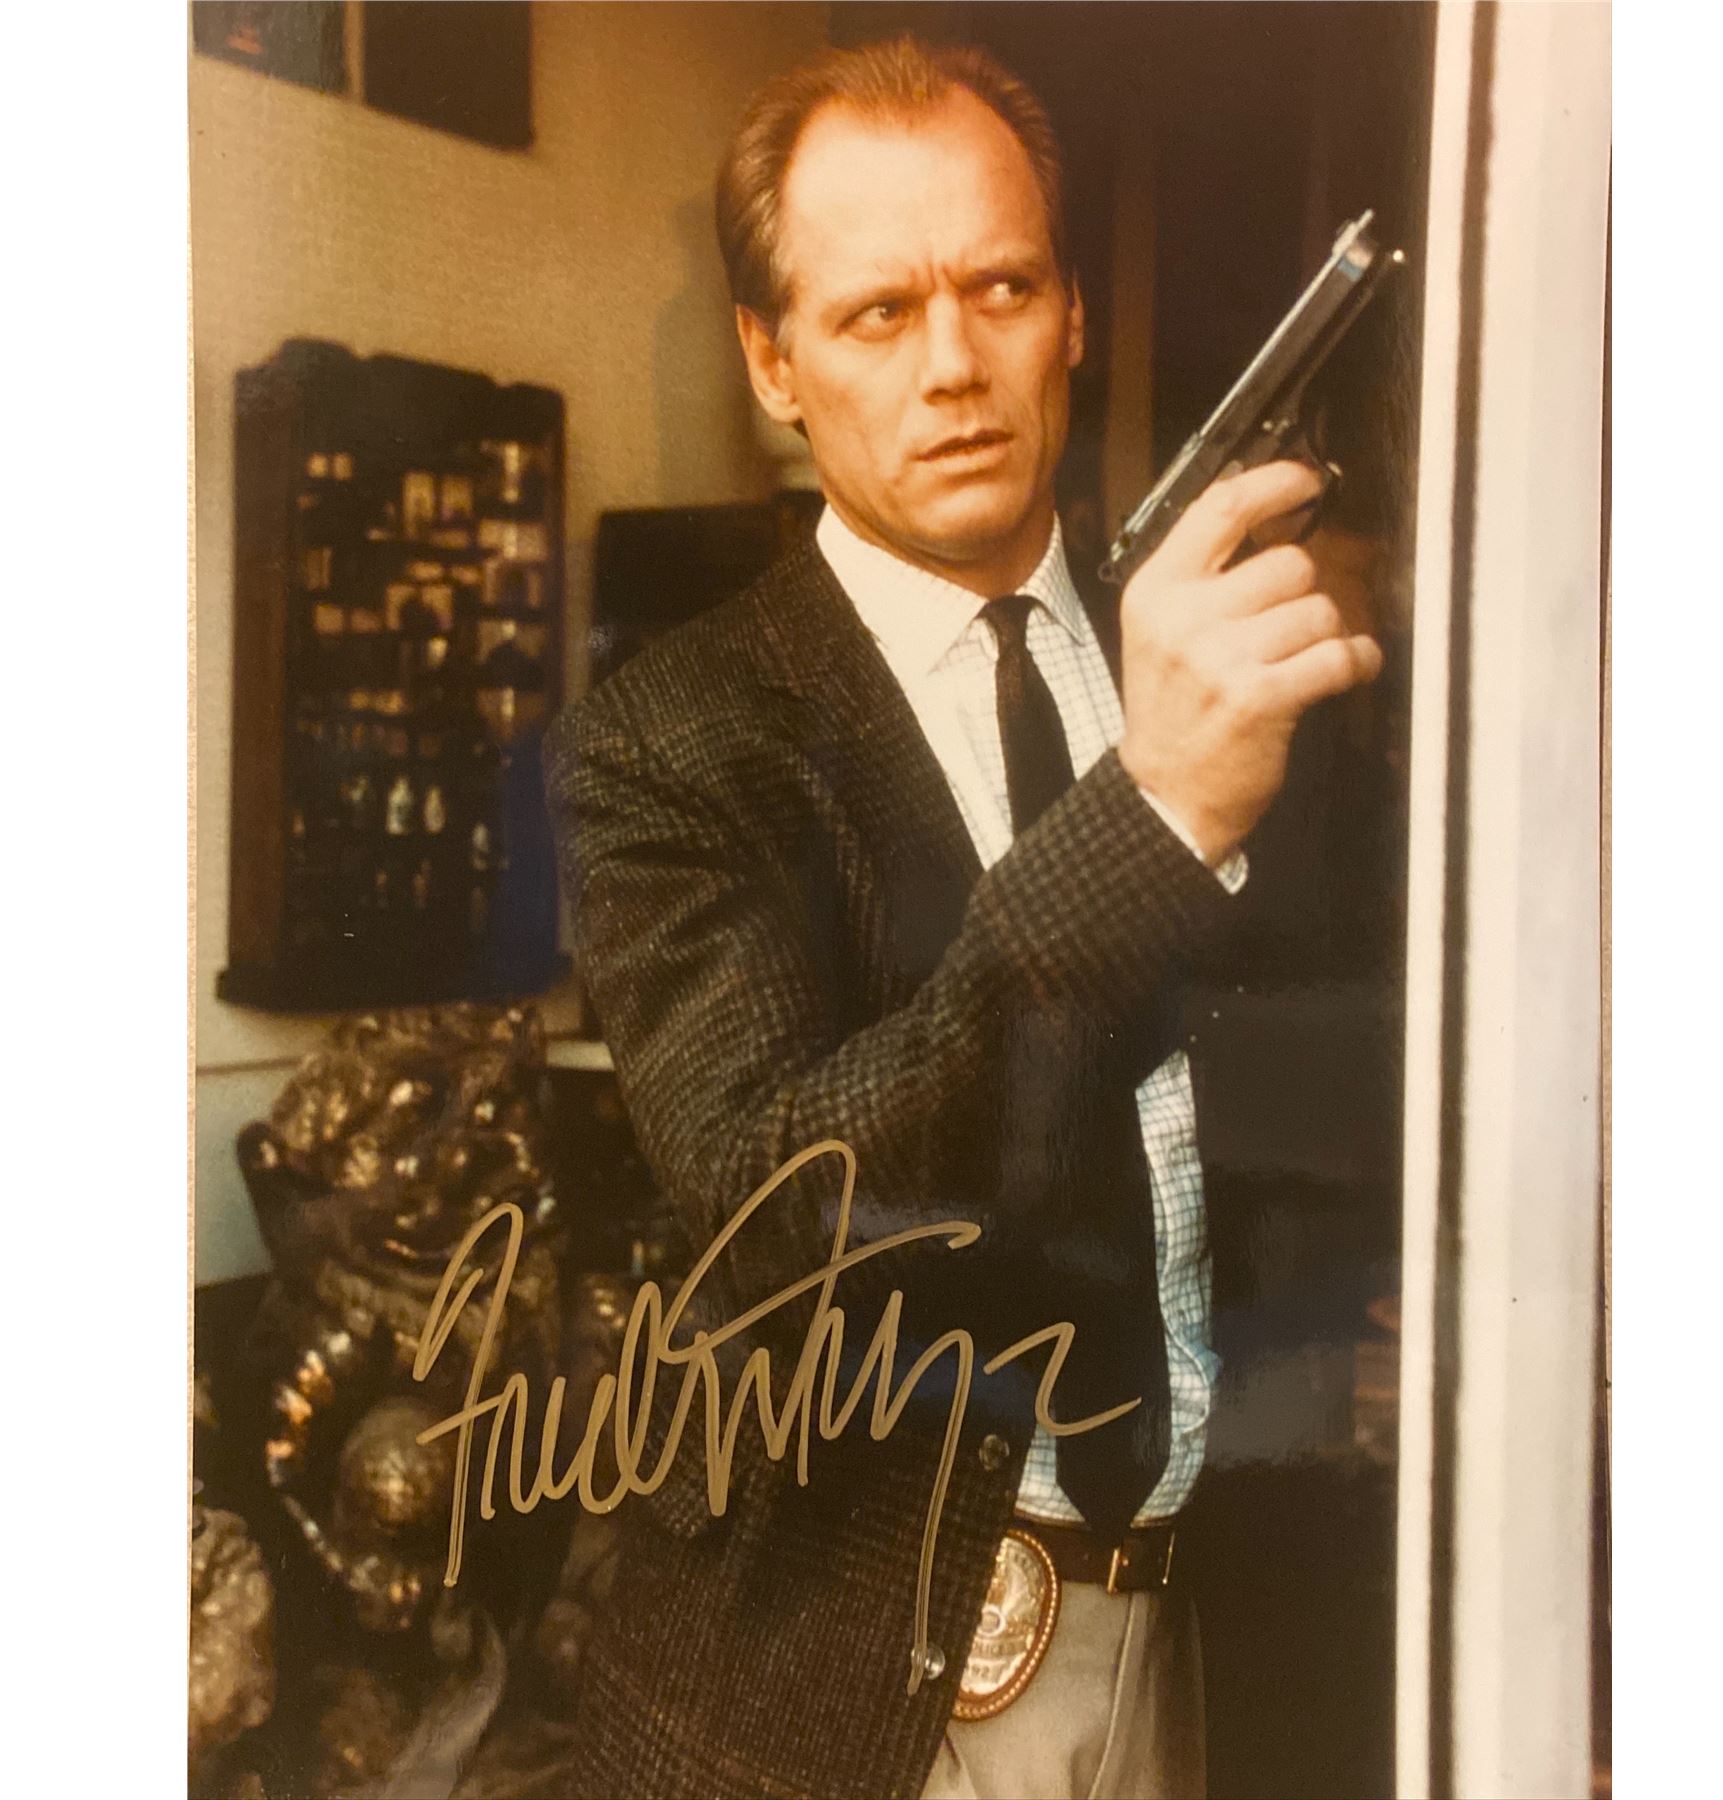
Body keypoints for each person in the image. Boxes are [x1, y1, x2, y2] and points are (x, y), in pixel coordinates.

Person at [544, 34, 1383, 1800]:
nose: (954, 364)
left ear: (1072, 311)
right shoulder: (669, 738)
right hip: (854, 1689)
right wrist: (1151, 825)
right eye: (876, 313)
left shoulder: (1231, 664)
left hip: (1229, 1640)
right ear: (772, 362)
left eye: (1002, 286)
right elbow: (787, 1219)